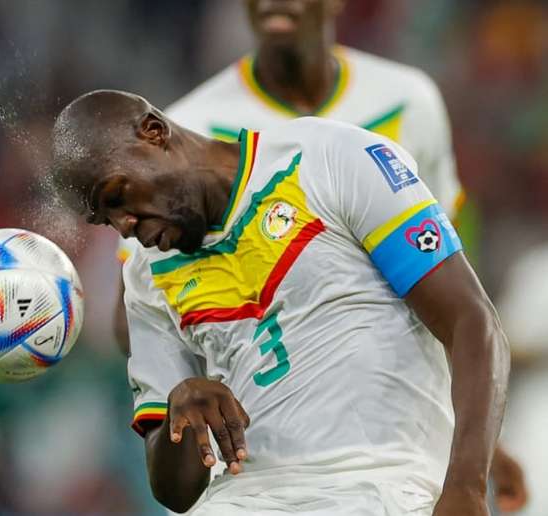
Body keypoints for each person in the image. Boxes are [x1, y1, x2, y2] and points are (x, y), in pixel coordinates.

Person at [108, 1, 526, 511]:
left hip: (397, 454)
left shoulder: (407, 101)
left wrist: (476, 445)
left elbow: (450, 279)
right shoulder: (189, 124)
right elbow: (141, 309)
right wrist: (190, 377)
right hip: (268, 462)